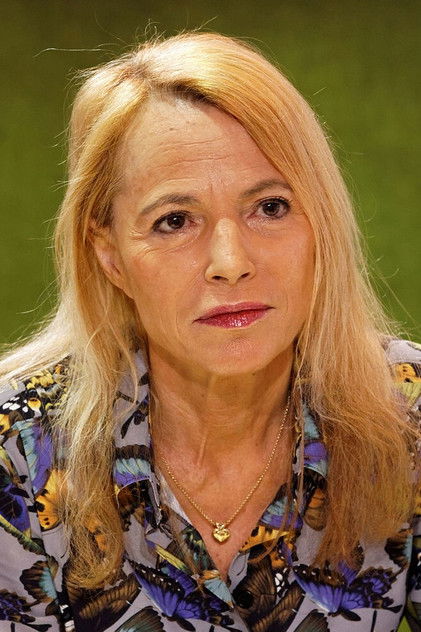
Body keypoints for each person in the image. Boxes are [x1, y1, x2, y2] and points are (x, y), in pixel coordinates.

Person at [0, 30, 420, 632]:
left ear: (320, 224)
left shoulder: (409, 413)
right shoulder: (16, 452)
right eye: (174, 220)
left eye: (270, 207)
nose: (230, 261)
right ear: (109, 253)